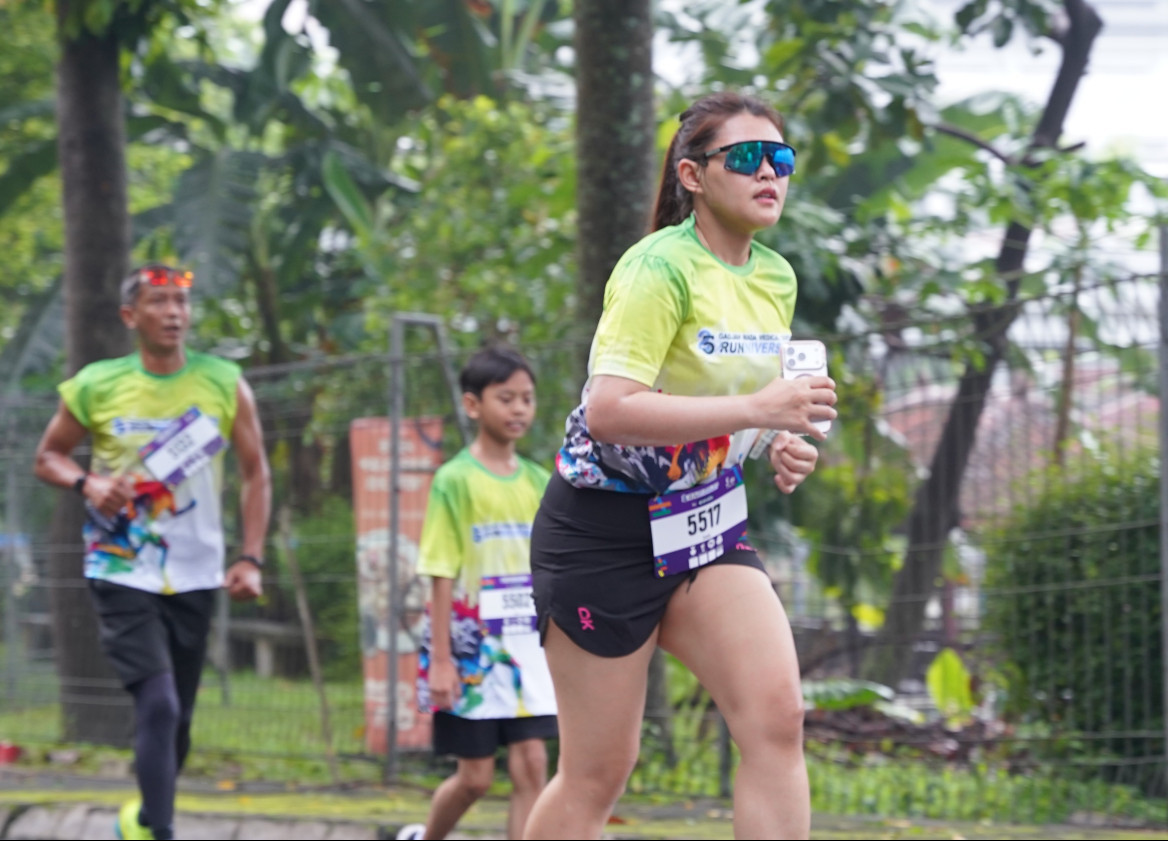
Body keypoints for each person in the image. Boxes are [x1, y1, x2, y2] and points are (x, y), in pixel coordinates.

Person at [522, 92, 838, 841]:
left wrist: (773, 438)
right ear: (693, 175)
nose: (770, 173)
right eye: (748, 157)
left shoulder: (775, 277)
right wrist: (758, 408)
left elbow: (730, 403)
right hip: (602, 535)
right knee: (599, 771)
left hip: (706, 522)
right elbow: (611, 409)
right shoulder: (657, 267)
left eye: (781, 158)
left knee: (777, 719)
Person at [33, 263, 271, 841]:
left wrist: (250, 557)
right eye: (158, 301)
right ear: (129, 315)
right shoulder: (97, 384)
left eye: (181, 303)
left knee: (178, 718)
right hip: (120, 566)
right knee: (158, 703)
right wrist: (88, 483)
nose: (173, 313)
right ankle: (160, 832)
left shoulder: (224, 382)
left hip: (196, 574)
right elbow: (48, 457)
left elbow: (255, 473)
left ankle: (141, 820)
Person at [395, 346, 557, 841]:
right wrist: (442, 661)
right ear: (472, 405)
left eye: (527, 398)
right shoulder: (453, 480)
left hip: (528, 652)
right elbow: (440, 571)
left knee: (532, 765)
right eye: (505, 398)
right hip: (470, 652)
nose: (518, 409)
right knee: (476, 779)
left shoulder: (541, 481)